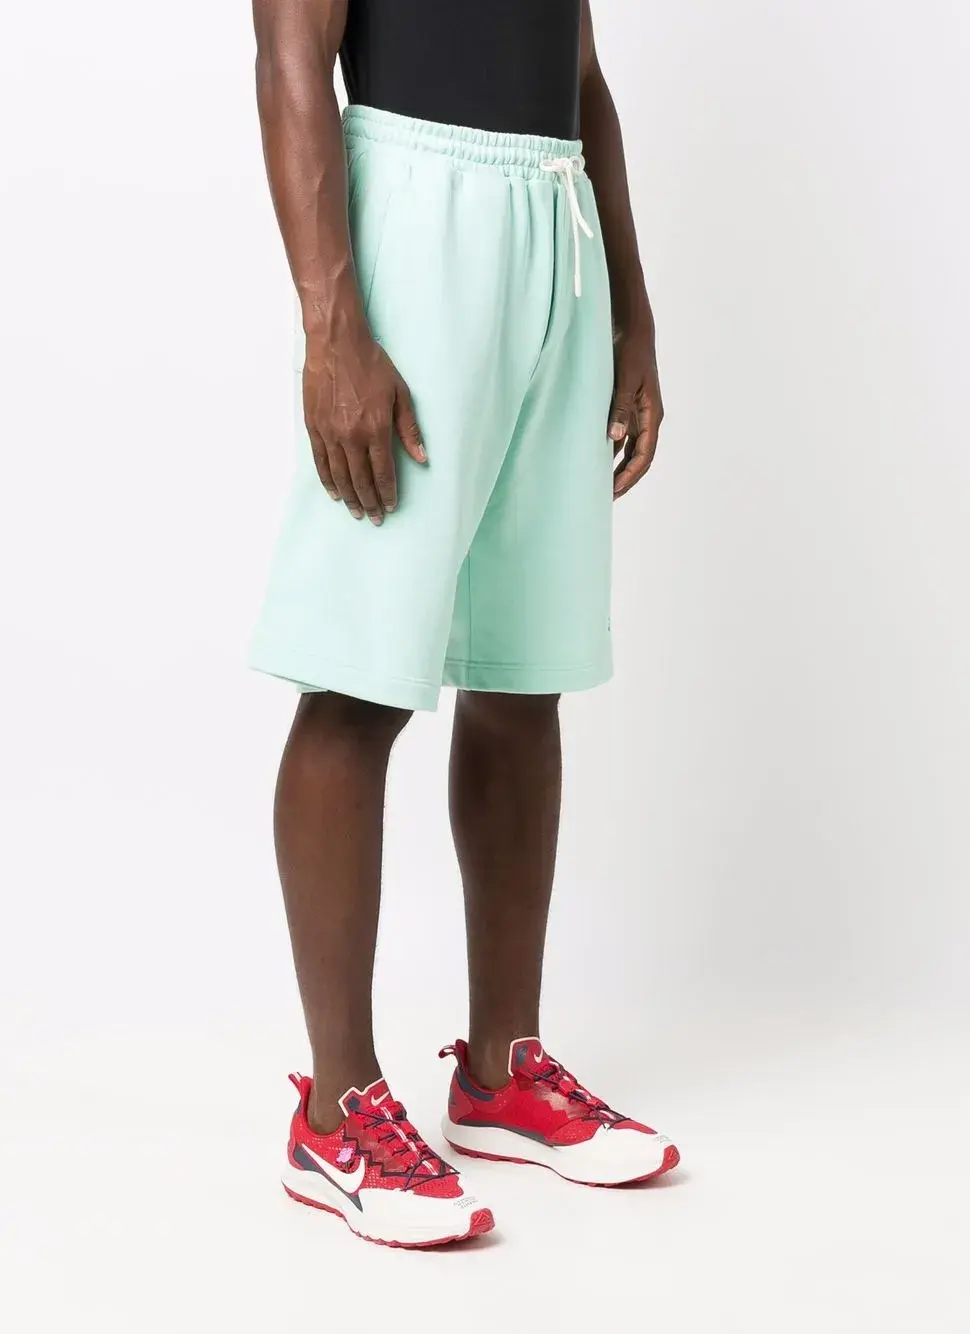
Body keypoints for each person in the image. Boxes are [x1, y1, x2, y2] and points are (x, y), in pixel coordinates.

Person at [249, 0, 676, 1248]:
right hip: (414, 218)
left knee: (521, 672)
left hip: (556, 222)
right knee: (359, 676)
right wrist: (333, 326)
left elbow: (580, 70)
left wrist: (631, 308)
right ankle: (334, 1107)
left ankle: (500, 1069)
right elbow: (289, 54)